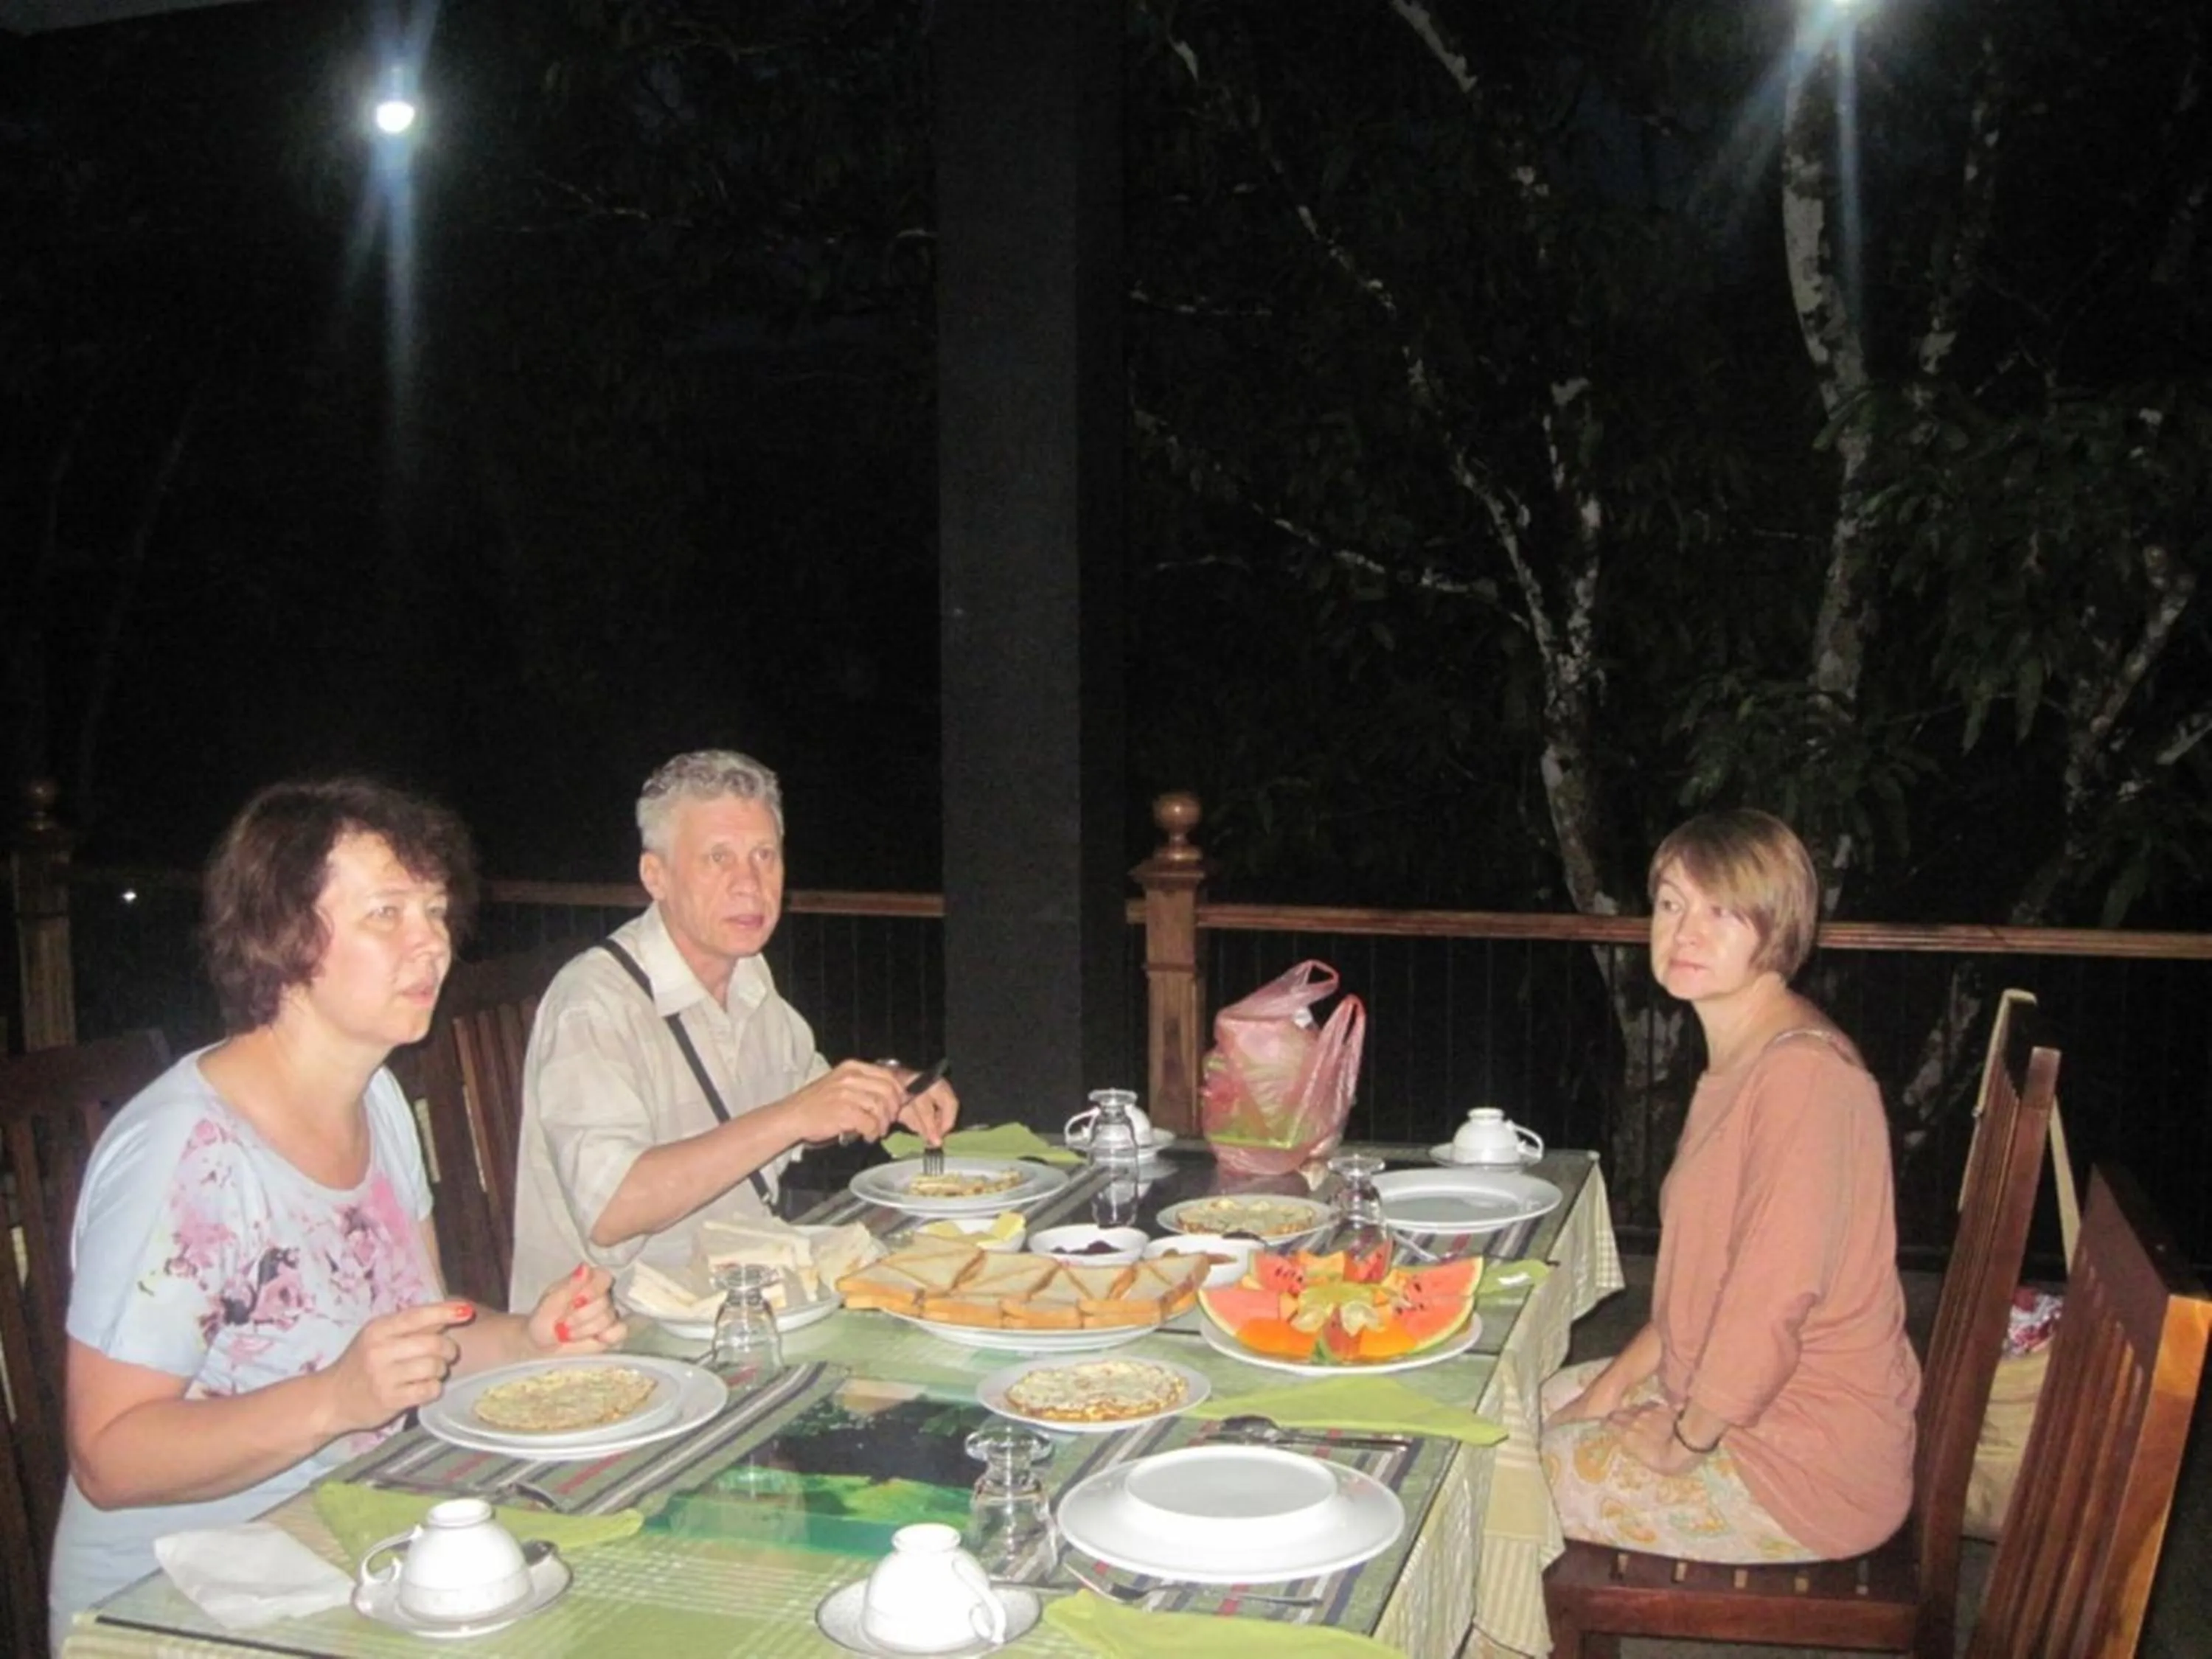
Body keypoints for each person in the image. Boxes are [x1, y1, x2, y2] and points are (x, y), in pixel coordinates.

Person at [52, 779, 628, 1646]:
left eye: (435, 911)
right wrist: (331, 1401)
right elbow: (108, 1456)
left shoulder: (380, 1104)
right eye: (386, 913)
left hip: (352, 1550)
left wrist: (525, 1341)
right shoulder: (188, 1157)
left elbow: (407, 1343)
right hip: (176, 1606)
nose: (431, 942)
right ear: (283, 936)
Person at [1540, 809, 1920, 1562]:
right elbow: (1706, 1288)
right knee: (1501, 1419)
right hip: (1722, 1400)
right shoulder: (1743, 1057)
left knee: (1498, 1483)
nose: (1685, 933)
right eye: (1673, 904)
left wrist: (1687, 1438)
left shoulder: (1805, 1079)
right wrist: (1610, 1389)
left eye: (1722, 912)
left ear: (1776, 929)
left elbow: (1771, 1296)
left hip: (1801, 1467)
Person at [507, 748, 959, 1305]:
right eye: (718, 858)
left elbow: (813, 1102)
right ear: (657, 875)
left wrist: (890, 1087)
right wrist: (794, 1115)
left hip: (744, 1295)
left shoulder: (748, 978)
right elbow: (611, 1209)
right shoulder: (594, 1004)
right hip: (613, 1337)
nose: (750, 883)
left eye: (765, 855)